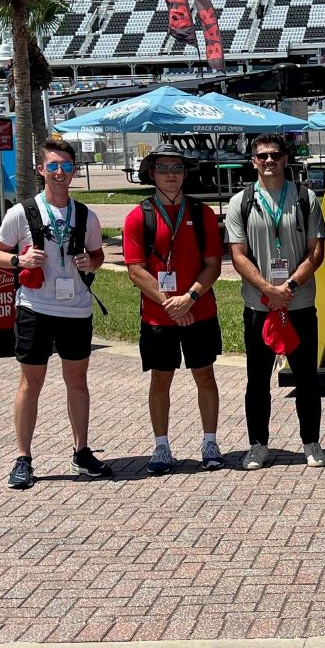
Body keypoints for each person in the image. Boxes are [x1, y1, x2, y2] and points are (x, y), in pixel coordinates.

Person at [0, 139, 110, 488]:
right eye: (53, 166)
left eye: (66, 167)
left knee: (78, 381)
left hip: (75, 309)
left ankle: (81, 452)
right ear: (41, 170)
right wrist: (18, 260)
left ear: (74, 171)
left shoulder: (86, 215)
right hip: (35, 308)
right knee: (31, 383)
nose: (59, 173)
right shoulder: (21, 212)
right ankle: (23, 457)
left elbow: (98, 255)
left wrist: (92, 261)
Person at [227, 133, 325, 470]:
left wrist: (290, 284)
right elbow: (238, 256)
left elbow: (317, 251)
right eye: (262, 156)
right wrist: (268, 289)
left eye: (275, 155)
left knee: (306, 379)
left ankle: (311, 442)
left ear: (286, 159)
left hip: (298, 303)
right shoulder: (240, 202)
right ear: (253, 161)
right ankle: (258, 444)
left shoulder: (305, 198)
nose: (269, 161)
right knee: (257, 380)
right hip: (259, 306)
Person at [123, 144, 224, 475]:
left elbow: (213, 265)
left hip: (200, 310)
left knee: (205, 375)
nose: (171, 175)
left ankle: (210, 443)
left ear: (185, 174)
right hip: (158, 315)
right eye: (163, 169)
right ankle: (161, 447)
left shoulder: (202, 213)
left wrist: (189, 298)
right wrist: (171, 303)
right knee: (160, 380)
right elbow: (136, 270)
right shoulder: (139, 215)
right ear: (151, 173)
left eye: (176, 169)